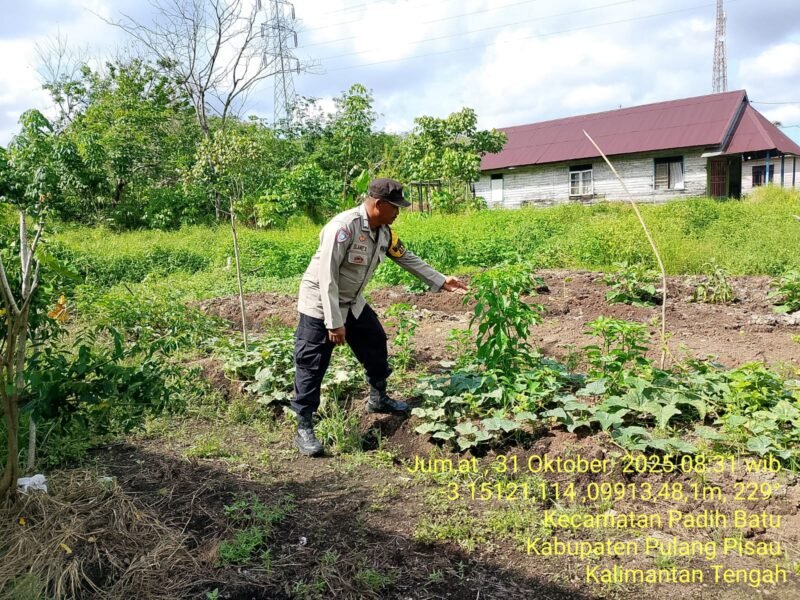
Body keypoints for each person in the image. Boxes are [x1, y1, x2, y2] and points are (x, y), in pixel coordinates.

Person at [291, 178, 468, 456]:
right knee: (312, 363)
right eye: (395, 207)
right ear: (378, 204)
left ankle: (378, 398)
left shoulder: (383, 231)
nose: (399, 212)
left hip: (352, 302)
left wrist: (441, 280)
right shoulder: (342, 228)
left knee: (374, 342)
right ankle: (304, 427)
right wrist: (334, 322)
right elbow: (326, 277)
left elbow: (406, 257)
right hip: (320, 303)